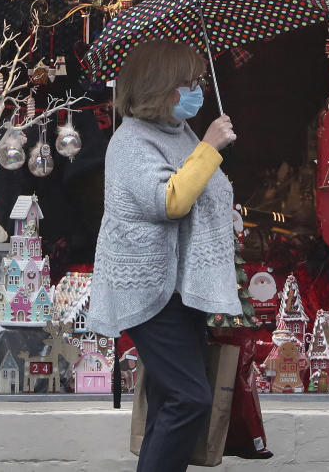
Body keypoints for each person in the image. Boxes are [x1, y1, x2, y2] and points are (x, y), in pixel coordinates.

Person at [85, 40, 242, 472]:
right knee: (189, 397)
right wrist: (210, 147)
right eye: (187, 83)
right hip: (148, 290)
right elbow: (170, 201)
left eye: (197, 81)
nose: (196, 90)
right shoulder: (131, 142)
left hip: (179, 290)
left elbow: (202, 189)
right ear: (161, 88)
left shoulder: (177, 132)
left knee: (167, 403)